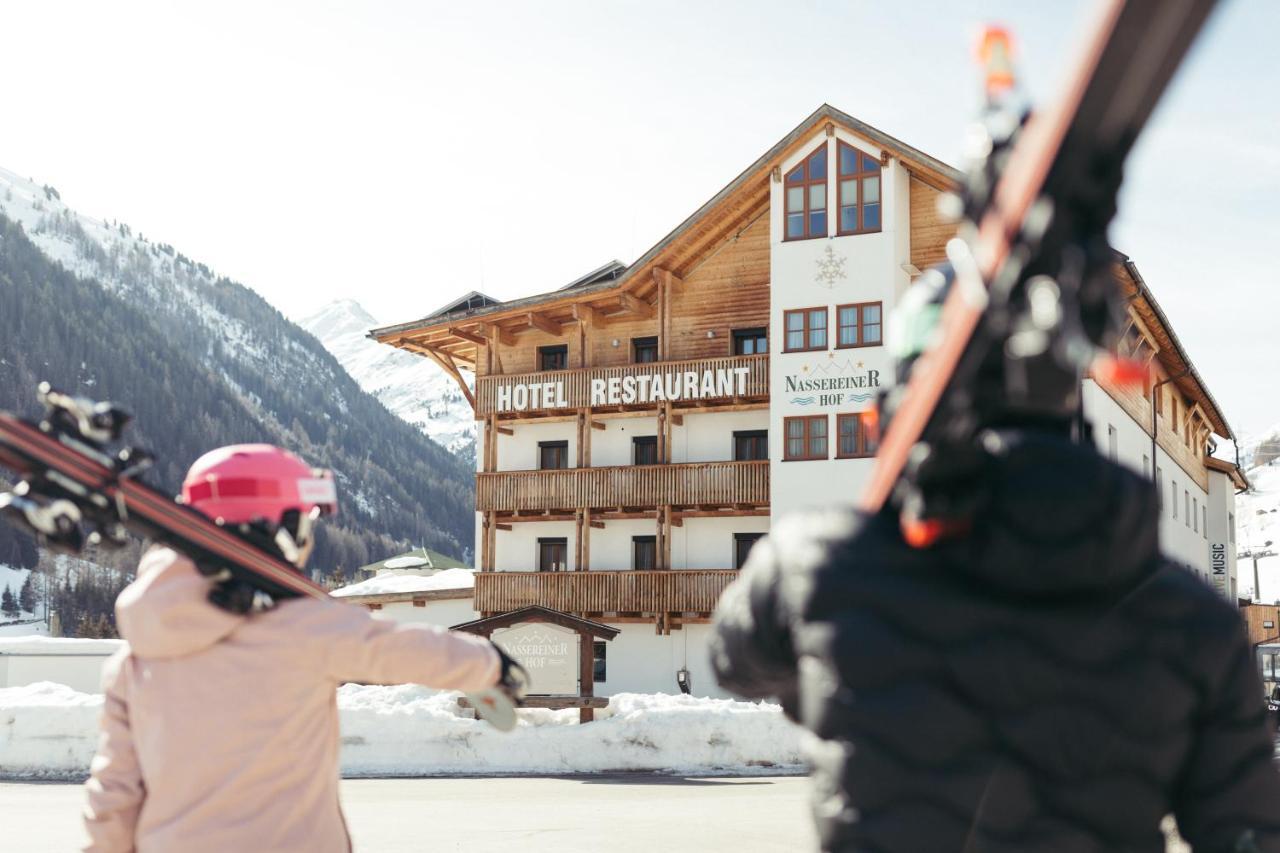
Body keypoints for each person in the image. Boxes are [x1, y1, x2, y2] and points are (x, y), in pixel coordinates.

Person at [710, 269, 1280, 852]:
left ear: (890, 414)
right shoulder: (1190, 620)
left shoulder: (815, 565)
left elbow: (735, 661)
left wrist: (840, 668)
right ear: (1070, 412)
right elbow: (1249, 835)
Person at [82, 445, 524, 853]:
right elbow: (398, 648)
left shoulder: (136, 656)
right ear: (285, 531)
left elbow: (113, 789)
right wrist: (488, 664)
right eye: (306, 521)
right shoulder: (302, 628)